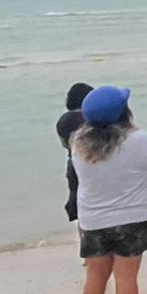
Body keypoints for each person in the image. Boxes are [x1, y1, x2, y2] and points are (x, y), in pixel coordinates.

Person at [64, 86, 147, 294]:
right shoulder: (141, 139)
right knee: (126, 276)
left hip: (93, 219)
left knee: (95, 275)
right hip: (133, 215)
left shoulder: (77, 143)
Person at [57, 82, 94, 223]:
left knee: (78, 202)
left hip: (72, 163)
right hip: (92, 162)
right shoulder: (90, 118)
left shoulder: (63, 120)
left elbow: (65, 145)